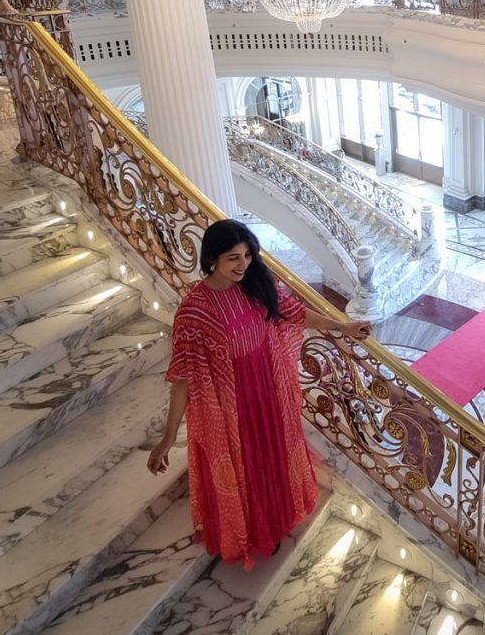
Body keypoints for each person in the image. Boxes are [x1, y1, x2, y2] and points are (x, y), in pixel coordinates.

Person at [147, 219, 371, 566]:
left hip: (266, 391)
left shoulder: (256, 283)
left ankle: (275, 517)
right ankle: (249, 529)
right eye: (233, 258)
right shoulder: (194, 312)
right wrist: (167, 438)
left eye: (248, 255)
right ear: (211, 260)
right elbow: (183, 380)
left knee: (271, 456)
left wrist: (343, 326)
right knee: (244, 467)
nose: (243, 265)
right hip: (230, 406)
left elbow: (296, 314)